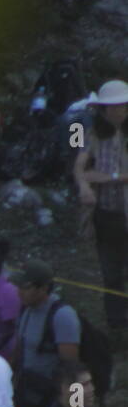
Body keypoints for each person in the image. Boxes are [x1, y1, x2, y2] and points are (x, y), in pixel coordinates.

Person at [74, 79, 128, 333]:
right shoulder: (93, 134)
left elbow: (101, 174)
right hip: (107, 215)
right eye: (114, 107)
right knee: (111, 274)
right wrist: (85, 185)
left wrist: (109, 178)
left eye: (122, 106)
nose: (119, 111)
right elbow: (79, 166)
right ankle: (117, 327)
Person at [13, 260, 80, 407]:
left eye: (25, 287)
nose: (19, 292)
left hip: (53, 396)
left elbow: (71, 365)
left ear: (43, 288)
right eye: (18, 286)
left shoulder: (62, 316)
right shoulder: (26, 310)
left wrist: (73, 405)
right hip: (29, 389)